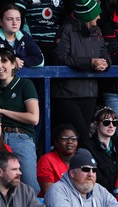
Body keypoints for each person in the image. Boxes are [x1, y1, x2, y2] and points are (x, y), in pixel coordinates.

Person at [51, 0, 111, 144]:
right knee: (83, 139)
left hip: (90, 93)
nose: (99, 18)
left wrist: (105, 63)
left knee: (82, 139)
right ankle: (103, 166)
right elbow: (60, 58)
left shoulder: (97, 31)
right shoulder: (66, 29)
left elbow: (105, 53)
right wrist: (89, 62)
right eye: (96, 15)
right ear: (86, 16)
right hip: (67, 94)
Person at [0, 47, 41, 195]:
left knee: (29, 185)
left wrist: (2, 111)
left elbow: (34, 118)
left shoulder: (24, 84)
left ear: (14, 64)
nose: (0, 66)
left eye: (5, 61)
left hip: (20, 137)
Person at [44, 148, 118, 207]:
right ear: (72, 173)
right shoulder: (56, 189)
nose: (91, 174)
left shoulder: (99, 189)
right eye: (86, 169)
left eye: (94, 170)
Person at [0, 2, 44, 68]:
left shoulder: (24, 36)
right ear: (0, 22)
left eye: (18, 19)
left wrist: (19, 61)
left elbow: (39, 59)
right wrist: (12, 61)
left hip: (21, 77)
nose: (15, 23)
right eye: (10, 19)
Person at [15, 0, 72, 65]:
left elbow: (66, 19)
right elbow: (17, 17)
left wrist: (61, 36)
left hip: (55, 46)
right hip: (32, 45)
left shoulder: (61, 2)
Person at [83, 107, 118, 199]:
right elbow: (96, 179)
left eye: (114, 123)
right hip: (101, 197)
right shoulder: (87, 147)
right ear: (97, 125)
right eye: (106, 122)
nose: (111, 126)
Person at [37, 124, 79, 196]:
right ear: (56, 142)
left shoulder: (81, 160)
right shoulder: (47, 160)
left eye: (73, 139)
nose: (70, 141)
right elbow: (49, 193)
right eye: (64, 138)